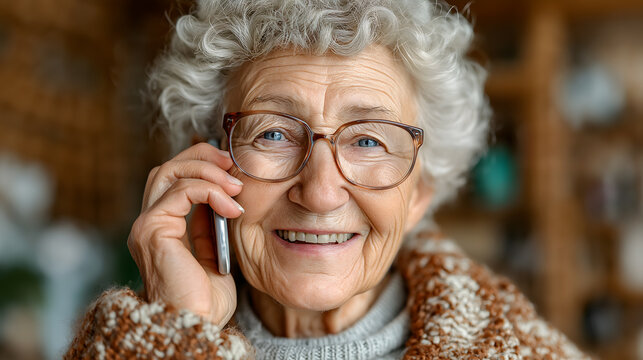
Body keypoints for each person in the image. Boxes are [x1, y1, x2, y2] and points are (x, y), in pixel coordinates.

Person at [65, 0, 590, 359]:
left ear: (420, 194)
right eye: (272, 134)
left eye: (368, 141)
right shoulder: (128, 344)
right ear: (208, 162)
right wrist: (178, 333)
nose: (319, 193)